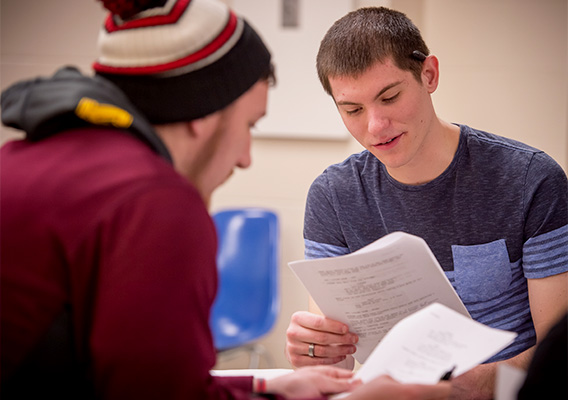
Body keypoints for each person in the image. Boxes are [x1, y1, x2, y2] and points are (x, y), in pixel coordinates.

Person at [0, 0, 452, 399]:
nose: (245, 158)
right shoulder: (155, 202)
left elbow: (135, 381)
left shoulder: (26, 158)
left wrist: (262, 385)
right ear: (202, 114)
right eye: (249, 125)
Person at [284, 6, 568, 400]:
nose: (375, 126)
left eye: (390, 97)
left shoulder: (529, 180)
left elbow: (561, 356)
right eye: (352, 110)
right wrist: (316, 352)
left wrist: (487, 383)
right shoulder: (333, 196)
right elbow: (337, 364)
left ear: (428, 75)